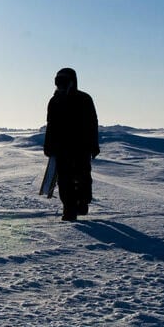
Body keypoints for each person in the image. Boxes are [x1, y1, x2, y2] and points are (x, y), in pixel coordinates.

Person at [43, 67, 100, 220]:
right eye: (57, 82)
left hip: (81, 147)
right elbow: (51, 125)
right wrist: (48, 146)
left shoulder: (84, 99)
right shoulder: (54, 101)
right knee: (64, 179)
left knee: (83, 177)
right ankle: (69, 209)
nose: (60, 85)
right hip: (61, 149)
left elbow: (92, 123)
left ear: (72, 82)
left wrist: (94, 145)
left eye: (63, 81)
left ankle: (83, 201)